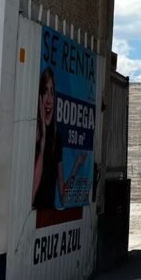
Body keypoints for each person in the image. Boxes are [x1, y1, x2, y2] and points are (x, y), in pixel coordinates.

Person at [32, 67, 87, 210]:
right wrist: (43, 140)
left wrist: (76, 166)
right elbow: (30, 196)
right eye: (45, 92)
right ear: (39, 98)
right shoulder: (31, 135)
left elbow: (63, 197)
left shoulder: (57, 139)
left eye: (52, 92)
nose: (49, 99)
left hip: (46, 220)